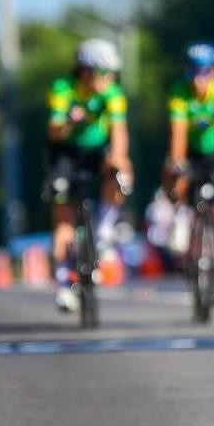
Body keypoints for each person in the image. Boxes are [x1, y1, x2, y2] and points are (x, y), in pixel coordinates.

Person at [46, 39, 132, 312]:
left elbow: (119, 132)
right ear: (86, 71)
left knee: (119, 169)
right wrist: (70, 120)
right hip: (65, 152)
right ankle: (63, 283)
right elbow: (54, 131)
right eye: (104, 73)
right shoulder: (63, 88)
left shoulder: (112, 93)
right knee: (63, 219)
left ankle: (105, 231)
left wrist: (119, 161)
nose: (109, 79)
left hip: (97, 150)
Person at [164, 42, 214, 303]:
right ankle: (180, 215)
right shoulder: (179, 92)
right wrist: (178, 164)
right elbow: (178, 134)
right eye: (193, 72)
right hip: (191, 151)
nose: (198, 80)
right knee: (174, 170)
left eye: (204, 72)